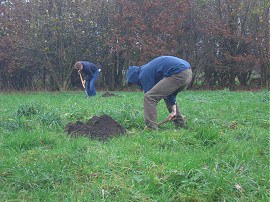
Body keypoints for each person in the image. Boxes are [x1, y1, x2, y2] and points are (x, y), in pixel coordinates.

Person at [126, 56, 192, 130]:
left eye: (134, 83)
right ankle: (180, 125)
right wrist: (174, 111)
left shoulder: (143, 73)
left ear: (134, 77)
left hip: (178, 72)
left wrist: (150, 122)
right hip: (187, 72)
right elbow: (170, 94)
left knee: (149, 97)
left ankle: (151, 129)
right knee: (166, 96)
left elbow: (150, 96)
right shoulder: (149, 69)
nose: (136, 85)